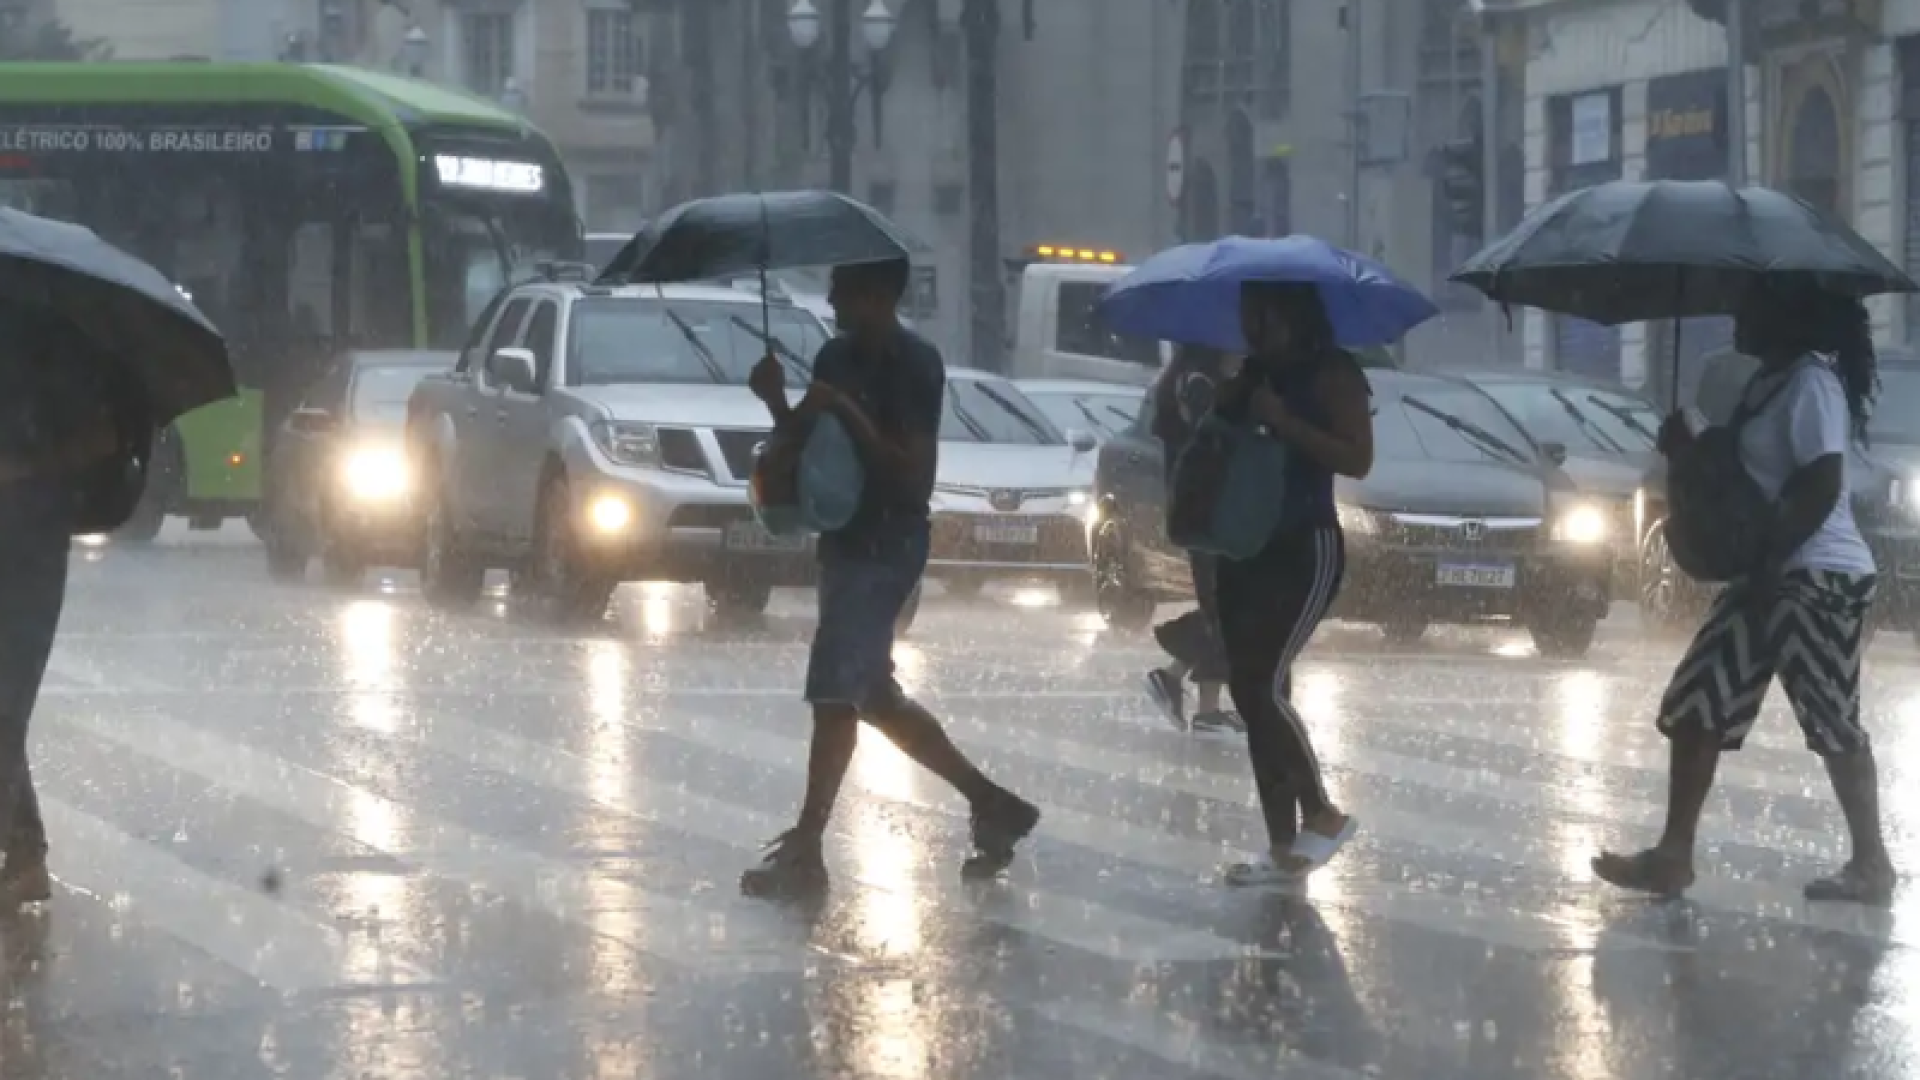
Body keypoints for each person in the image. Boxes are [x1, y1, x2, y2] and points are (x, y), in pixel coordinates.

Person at [741, 258, 1040, 896]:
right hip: (844, 538)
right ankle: (992, 802)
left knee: (833, 692)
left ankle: (808, 845)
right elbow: (811, 446)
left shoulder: (915, 364)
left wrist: (845, 409)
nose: (832, 302)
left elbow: (910, 473)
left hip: (888, 542)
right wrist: (777, 403)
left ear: (877, 296)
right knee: (869, 693)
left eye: (842, 292)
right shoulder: (833, 357)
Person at [1594, 286, 1895, 906]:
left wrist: (1769, 565)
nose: (1737, 318)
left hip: (1816, 575)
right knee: (1699, 699)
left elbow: (1819, 483)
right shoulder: (1768, 384)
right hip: (1767, 571)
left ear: (1787, 314)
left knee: (1831, 715)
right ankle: (1673, 856)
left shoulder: (1812, 383)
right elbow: (1744, 477)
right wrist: (1686, 451)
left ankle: (1872, 864)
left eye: (1751, 308)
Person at [1211, 282, 1374, 885]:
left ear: (1295, 313)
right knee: (1254, 693)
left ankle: (1323, 812)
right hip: (1243, 544)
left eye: (1265, 313)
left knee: (1261, 684)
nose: (1254, 326)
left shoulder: (1333, 374)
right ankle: (1282, 846)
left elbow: (1357, 457)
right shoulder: (1254, 372)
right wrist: (1230, 402)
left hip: (1305, 544)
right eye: (1247, 313)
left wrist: (1283, 421)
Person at [0, 307, 125, 909]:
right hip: (27, 539)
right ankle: (23, 852)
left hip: (27, 551)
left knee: (5, 705)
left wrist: (19, 469)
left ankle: (18, 853)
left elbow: (99, 437)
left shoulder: (49, 342)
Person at [1142, 344, 1241, 733]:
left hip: (1198, 514)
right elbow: (1212, 447)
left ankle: (1203, 704)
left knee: (1221, 608)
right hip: (1210, 515)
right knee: (1226, 610)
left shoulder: (1180, 382)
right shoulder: (1200, 387)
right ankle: (1175, 681)